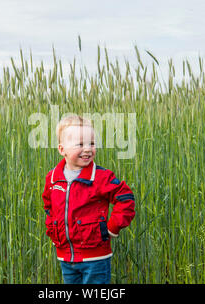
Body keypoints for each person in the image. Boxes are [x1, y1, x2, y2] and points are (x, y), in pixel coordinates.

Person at [42, 115, 135, 284]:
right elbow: (49, 207)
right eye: (80, 144)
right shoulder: (53, 178)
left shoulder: (101, 177)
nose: (87, 149)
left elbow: (126, 198)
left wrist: (113, 227)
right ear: (62, 150)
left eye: (91, 144)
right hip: (66, 258)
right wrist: (52, 228)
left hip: (95, 258)